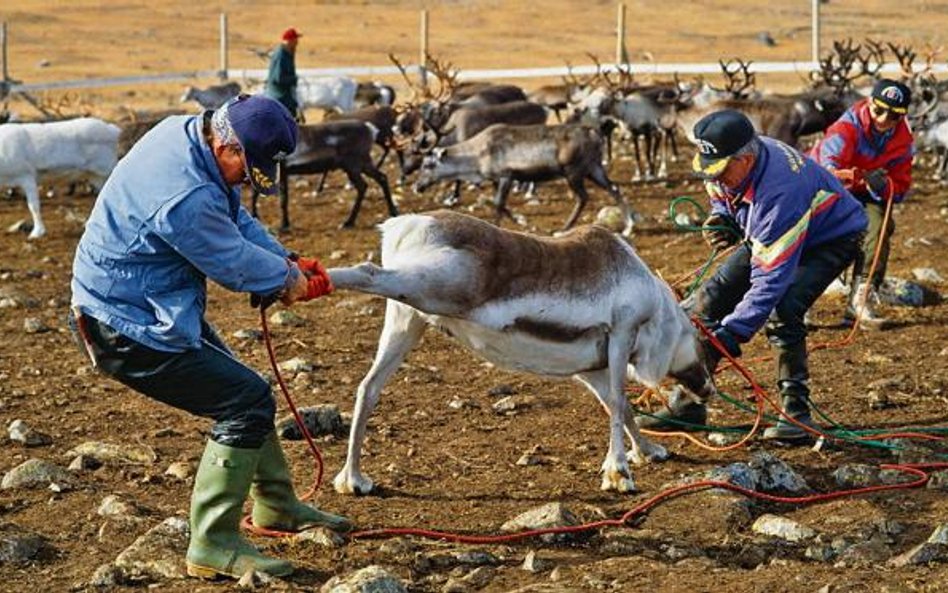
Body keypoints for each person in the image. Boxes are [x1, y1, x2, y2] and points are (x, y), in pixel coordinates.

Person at [69, 94, 352, 580]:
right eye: (247, 170)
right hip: (124, 325)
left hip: (153, 302)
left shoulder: (186, 132)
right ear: (228, 147)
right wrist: (286, 281)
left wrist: (284, 258)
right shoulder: (185, 197)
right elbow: (230, 261)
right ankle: (213, 543)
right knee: (244, 401)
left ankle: (276, 507)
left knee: (246, 389)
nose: (247, 181)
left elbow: (235, 218)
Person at [638, 109, 868, 442]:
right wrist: (722, 219)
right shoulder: (727, 162)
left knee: (784, 308)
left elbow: (770, 281)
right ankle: (689, 405)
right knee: (709, 298)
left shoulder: (780, 191)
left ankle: (796, 415)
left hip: (831, 237)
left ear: (745, 159)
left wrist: (728, 337)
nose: (713, 179)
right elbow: (721, 193)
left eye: (720, 171)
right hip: (775, 229)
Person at [809, 78, 915, 330]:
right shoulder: (846, 128)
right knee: (812, 233)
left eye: (893, 116)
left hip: (866, 193)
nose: (883, 119)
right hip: (823, 189)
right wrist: (854, 176)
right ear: (869, 103)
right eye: (879, 110)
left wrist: (882, 186)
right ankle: (798, 303)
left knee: (879, 226)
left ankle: (861, 298)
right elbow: (827, 168)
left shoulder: (903, 141)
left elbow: (899, 189)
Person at [265, 28, 302, 120]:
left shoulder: (287, 52)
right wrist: (294, 79)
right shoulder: (281, 54)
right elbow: (278, 78)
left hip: (284, 94)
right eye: (296, 40)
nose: (297, 42)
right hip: (279, 96)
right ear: (290, 40)